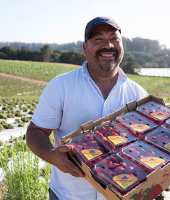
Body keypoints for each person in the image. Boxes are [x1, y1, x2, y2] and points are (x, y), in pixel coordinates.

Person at [26, 16, 148, 200]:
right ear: (85, 48)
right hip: (68, 195)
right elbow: (35, 131)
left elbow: (147, 144)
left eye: (114, 39)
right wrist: (52, 155)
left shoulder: (138, 94)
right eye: (98, 39)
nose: (108, 45)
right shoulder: (61, 86)